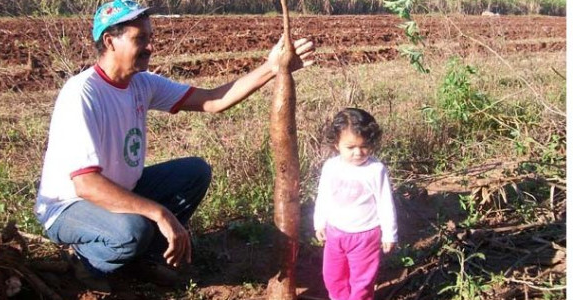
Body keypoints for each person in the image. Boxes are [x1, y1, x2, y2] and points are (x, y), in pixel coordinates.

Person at [34, 0, 315, 292]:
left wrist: (272, 68)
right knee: (132, 231)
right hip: (71, 207)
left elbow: (213, 101)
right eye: (140, 38)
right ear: (109, 41)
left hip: (121, 192)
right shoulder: (82, 94)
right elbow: (87, 186)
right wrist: (160, 213)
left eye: (150, 38)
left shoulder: (142, 83)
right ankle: (86, 262)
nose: (150, 47)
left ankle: (145, 255)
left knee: (194, 172)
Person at [313, 108, 398, 300]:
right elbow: (323, 195)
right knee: (332, 277)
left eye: (364, 146)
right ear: (336, 144)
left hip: (365, 236)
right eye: (350, 147)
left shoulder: (375, 170)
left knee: (362, 281)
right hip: (335, 233)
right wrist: (319, 222)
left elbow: (385, 203)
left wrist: (389, 234)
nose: (358, 153)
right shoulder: (331, 167)